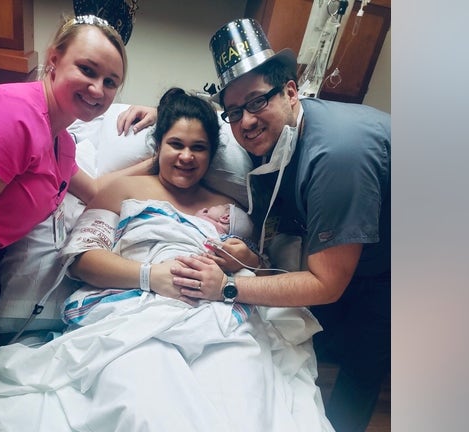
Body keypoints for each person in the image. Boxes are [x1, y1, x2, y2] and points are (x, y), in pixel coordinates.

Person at [0, 88, 335, 432]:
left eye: (199, 148)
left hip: (218, 319)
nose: (186, 156)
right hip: (132, 316)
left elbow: (262, 268)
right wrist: (151, 276)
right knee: (148, 405)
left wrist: (244, 257)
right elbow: (82, 260)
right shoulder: (122, 191)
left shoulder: (231, 209)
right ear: (158, 146)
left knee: (240, 401)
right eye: (176, 144)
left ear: (212, 154)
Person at [120, 18, 391, 432]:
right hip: (356, 249)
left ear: (291, 92)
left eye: (257, 102)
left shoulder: (336, 157)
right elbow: (224, 120)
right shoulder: (269, 132)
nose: (245, 122)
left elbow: (326, 285)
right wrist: (169, 117)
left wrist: (227, 287)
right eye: (234, 112)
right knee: (301, 342)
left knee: (364, 353)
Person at [0, 13, 149, 395]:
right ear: (54, 59)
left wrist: (163, 158)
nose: (98, 89)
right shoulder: (14, 117)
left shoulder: (62, 142)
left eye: (110, 82)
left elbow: (96, 189)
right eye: (87, 70)